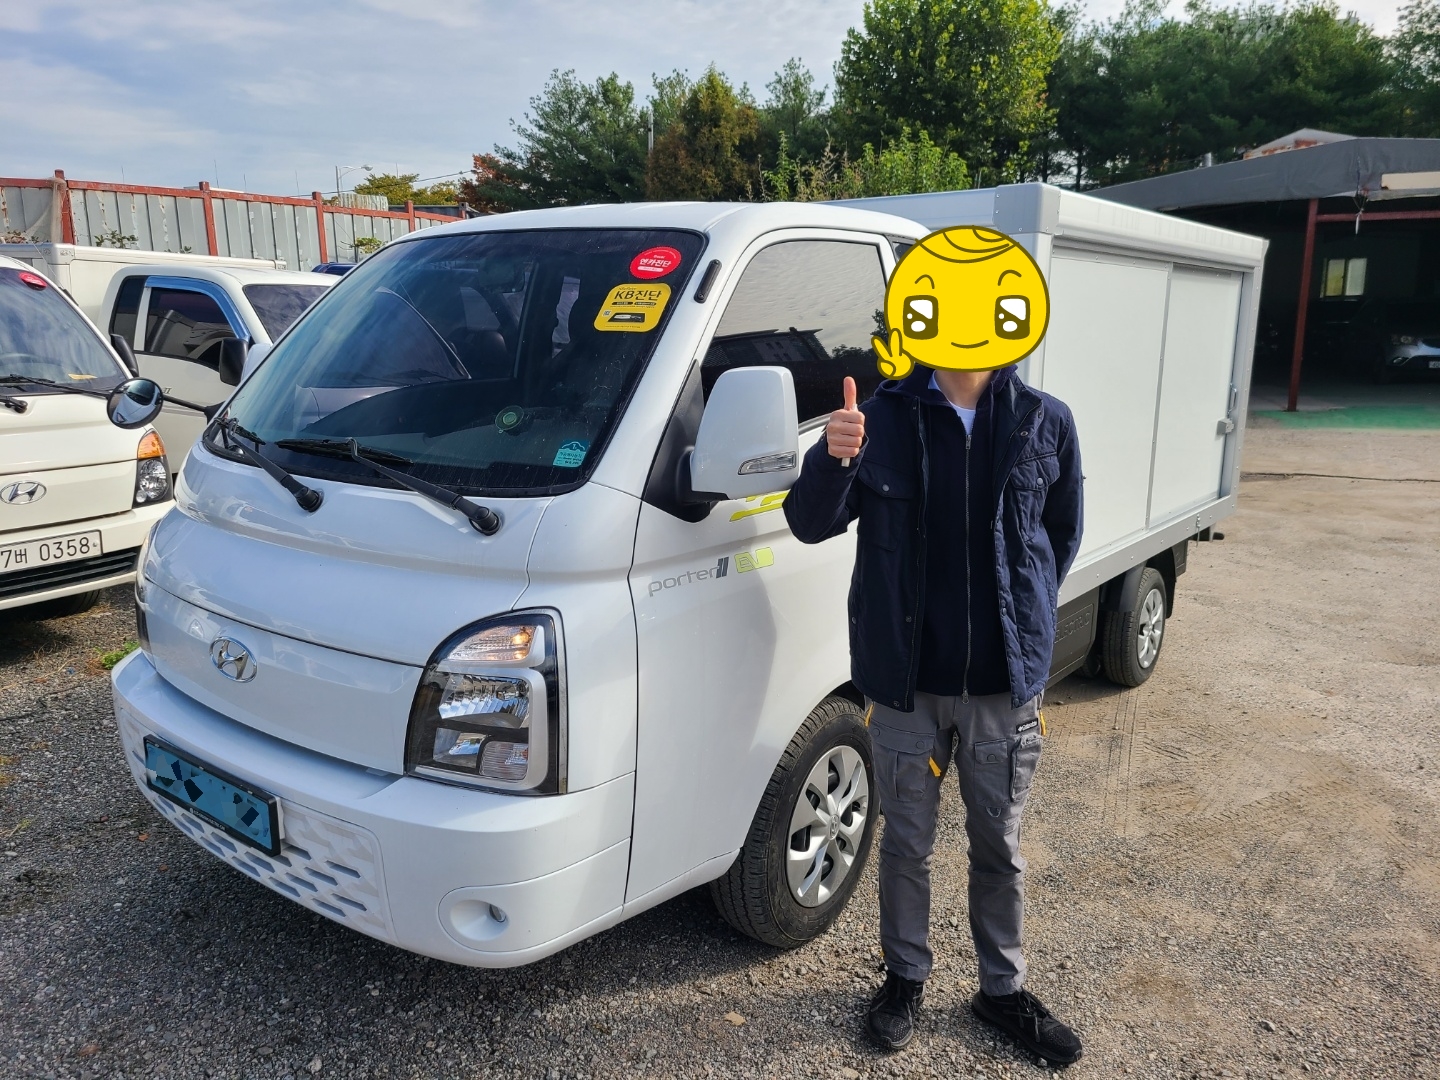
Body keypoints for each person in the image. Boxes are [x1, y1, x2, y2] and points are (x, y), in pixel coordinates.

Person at [783, 362, 1084, 1066]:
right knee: (905, 845)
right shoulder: (881, 419)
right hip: (906, 685)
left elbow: (1059, 538)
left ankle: (1002, 990)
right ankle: (904, 979)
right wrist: (832, 457)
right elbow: (808, 522)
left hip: (1001, 691)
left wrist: (1024, 624)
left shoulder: (1046, 420)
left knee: (999, 847)